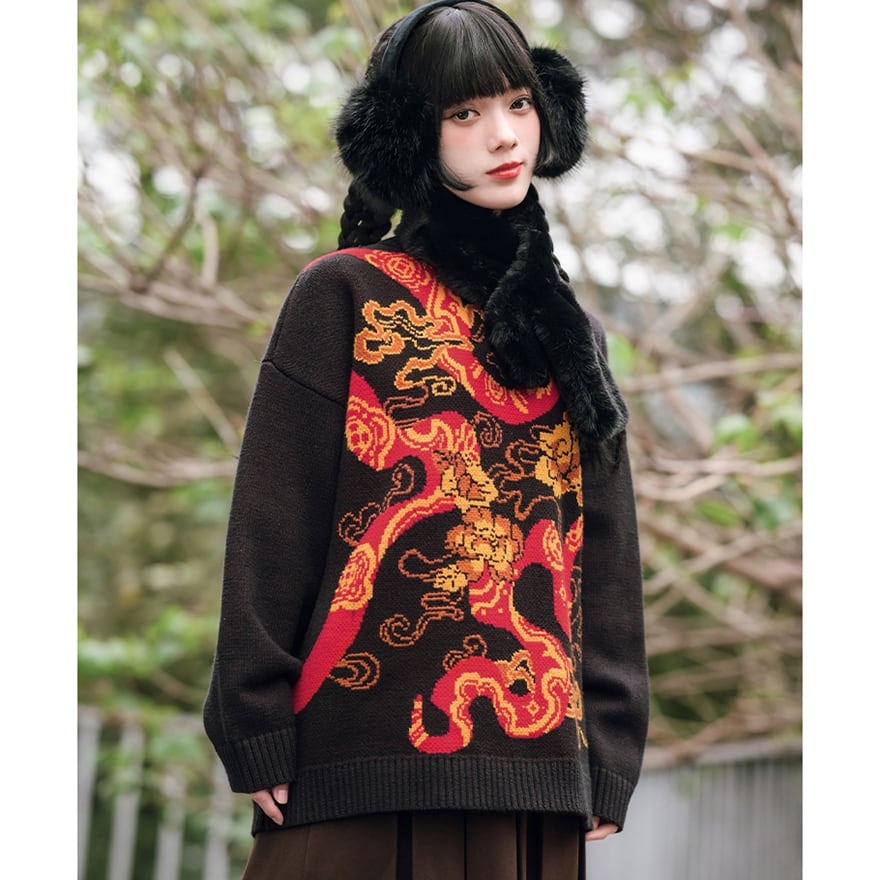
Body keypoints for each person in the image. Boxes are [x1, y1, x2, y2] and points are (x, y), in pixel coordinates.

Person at [203, 2, 649, 878]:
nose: (502, 136)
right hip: (352, 766)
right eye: (464, 112)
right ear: (412, 135)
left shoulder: (575, 339)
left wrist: (611, 744)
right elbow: (274, 517)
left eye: (518, 103)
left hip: (537, 774)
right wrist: (254, 719)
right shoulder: (346, 293)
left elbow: (603, 548)